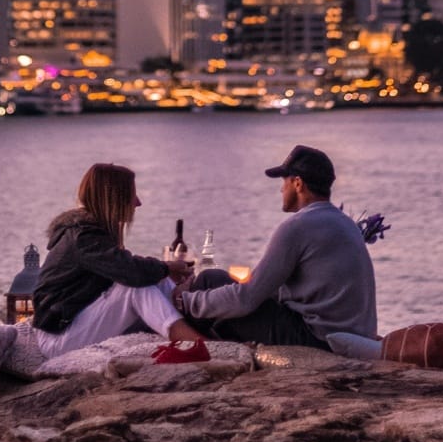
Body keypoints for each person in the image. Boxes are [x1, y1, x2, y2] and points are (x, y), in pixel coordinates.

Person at [176, 144, 376, 347]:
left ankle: (203, 350)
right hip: (353, 335)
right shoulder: (345, 222)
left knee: (207, 284)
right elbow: (270, 289)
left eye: (284, 181)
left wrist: (186, 301)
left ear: (298, 183)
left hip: (318, 339)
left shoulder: (297, 226)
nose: (281, 189)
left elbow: (248, 298)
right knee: (214, 279)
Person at [32, 162, 202, 355]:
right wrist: (167, 267)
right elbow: (132, 272)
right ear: (113, 199)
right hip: (58, 337)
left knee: (155, 279)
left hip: (74, 323)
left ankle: (195, 318)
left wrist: (165, 271)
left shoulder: (92, 233)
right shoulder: (83, 237)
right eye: (132, 195)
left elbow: (129, 267)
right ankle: (195, 343)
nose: (138, 203)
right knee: (135, 287)